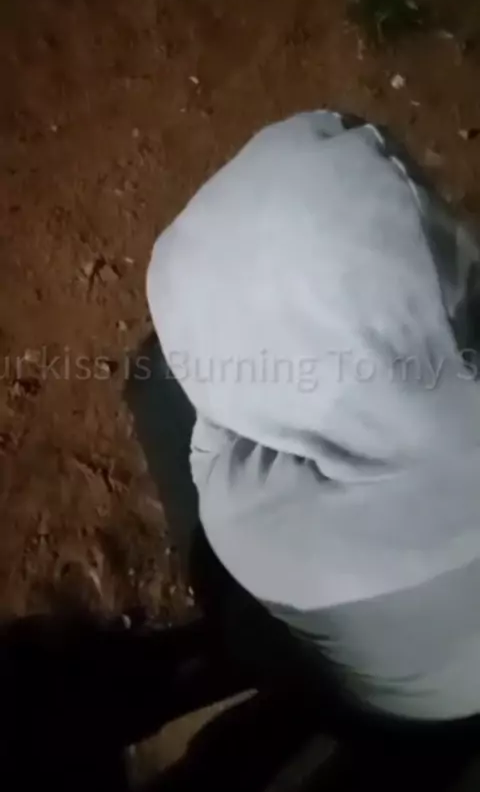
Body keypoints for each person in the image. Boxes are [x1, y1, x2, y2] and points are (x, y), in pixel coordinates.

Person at [141, 110, 480, 787]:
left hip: (376, 707)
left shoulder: (246, 522)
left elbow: (217, 429)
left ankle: (218, 673)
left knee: (153, 386)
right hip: (452, 711)